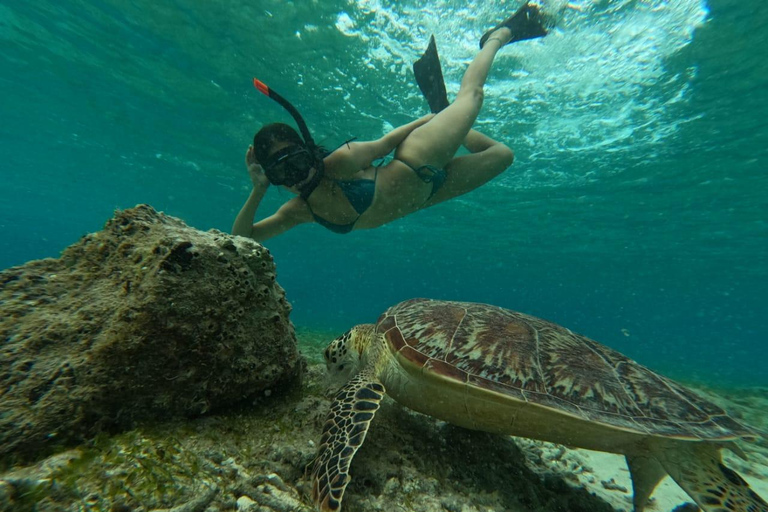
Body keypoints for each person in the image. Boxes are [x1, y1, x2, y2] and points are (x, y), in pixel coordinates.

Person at [233, 2, 550, 242]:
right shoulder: (299, 211)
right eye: (279, 171)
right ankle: (441, 106)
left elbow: (387, 142)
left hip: (417, 159)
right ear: (269, 175)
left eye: (297, 161)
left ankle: (497, 36)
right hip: (428, 195)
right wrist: (258, 189)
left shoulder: (339, 162)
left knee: (473, 98)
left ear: (306, 150)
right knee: (502, 155)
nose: (294, 176)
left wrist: (428, 119)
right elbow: (243, 239)